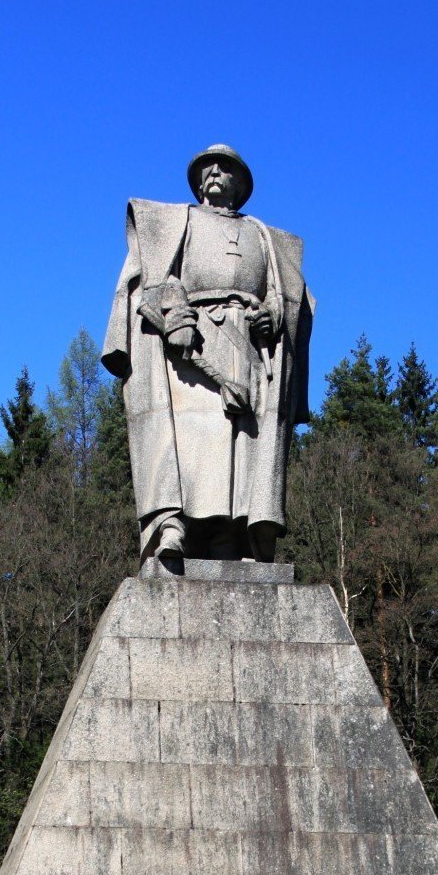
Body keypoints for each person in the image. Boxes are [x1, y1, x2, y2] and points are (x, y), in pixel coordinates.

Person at [102, 145, 314, 562]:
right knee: (191, 442)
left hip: (249, 348)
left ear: (241, 183)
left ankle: (229, 537)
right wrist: (177, 316)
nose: (214, 172)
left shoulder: (264, 237)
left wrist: (272, 316)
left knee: (239, 454)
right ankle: (173, 525)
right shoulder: (179, 221)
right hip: (193, 344)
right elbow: (157, 277)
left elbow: (286, 296)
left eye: (226, 168)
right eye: (207, 168)